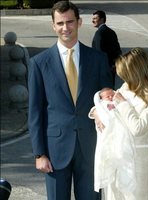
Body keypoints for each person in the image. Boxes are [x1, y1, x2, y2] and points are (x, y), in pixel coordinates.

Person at [28, 1, 113, 200]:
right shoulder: (39, 63)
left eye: (69, 22)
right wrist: (39, 154)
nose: (65, 28)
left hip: (91, 148)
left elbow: (107, 101)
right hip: (54, 151)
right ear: (53, 26)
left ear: (79, 22)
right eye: (60, 23)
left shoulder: (98, 59)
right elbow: (35, 112)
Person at [91, 47, 148, 200]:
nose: (123, 79)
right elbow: (108, 103)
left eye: (126, 75)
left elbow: (138, 128)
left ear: (137, 72)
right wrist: (96, 112)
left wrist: (122, 103)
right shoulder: (127, 86)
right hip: (116, 156)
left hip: (137, 163)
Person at [92, 10, 122, 87]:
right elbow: (117, 50)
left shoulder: (99, 33)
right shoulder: (111, 32)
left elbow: (99, 52)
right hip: (112, 68)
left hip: (103, 69)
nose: (92, 20)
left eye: (95, 18)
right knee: (110, 89)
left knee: (103, 92)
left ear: (102, 19)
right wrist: (114, 64)